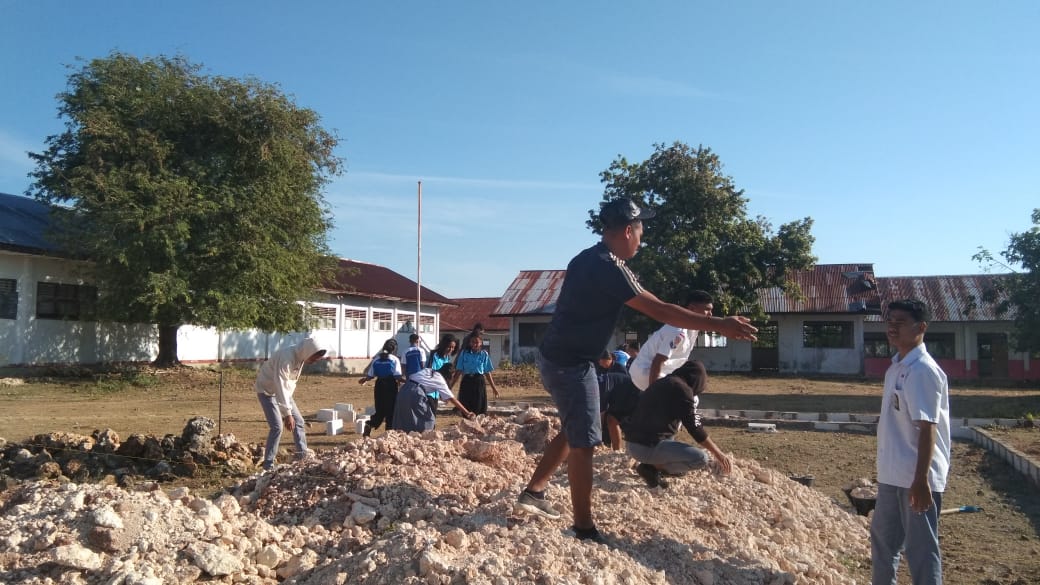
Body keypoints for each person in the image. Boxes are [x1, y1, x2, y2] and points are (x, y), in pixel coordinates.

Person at [512, 197, 757, 543]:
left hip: (565, 359)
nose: (642, 240)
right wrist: (719, 324)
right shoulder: (605, 267)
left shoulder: (593, 259)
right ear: (628, 230)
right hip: (569, 364)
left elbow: (652, 302)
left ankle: (534, 492)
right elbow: (660, 310)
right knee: (585, 442)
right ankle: (584, 529)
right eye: (641, 231)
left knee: (577, 428)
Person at [871, 299, 951, 585]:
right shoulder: (896, 367)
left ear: (921, 327)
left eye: (900, 322)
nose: (892, 327)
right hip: (892, 475)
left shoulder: (922, 371)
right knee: (883, 546)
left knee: (921, 551)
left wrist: (921, 480)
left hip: (916, 479)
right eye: (889, 321)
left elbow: (927, 428)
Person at [622, 359, 731, 488]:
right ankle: (652, 468)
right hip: (646, 447)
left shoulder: (664, 383)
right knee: (701, 459)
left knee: (671, 434)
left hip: (632, 443)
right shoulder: (682, 390)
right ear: (697, 381)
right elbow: (695, 427)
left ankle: (653, 464)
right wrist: (718, 453)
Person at [255, 337, 327, 470]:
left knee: (299, 421)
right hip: (267, 391)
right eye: (314, 358)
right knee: (277, 427)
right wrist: (287, 414)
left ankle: (302, 457)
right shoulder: (286, 358)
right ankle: (268, 465)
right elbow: (280, 385)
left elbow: (288, 385)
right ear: (308, 352)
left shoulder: (301, 356)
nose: (314, 361)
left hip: (284, 393)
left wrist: (288, 409)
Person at [629, 290, 714, 390]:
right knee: (686, 398)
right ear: (692, 308)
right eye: (707, 310)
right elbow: (658, 361)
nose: (710, 314)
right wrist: (653, 394)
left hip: (665, 374)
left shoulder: (693, 329)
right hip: (646, 374)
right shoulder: (677, 330)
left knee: (692, 394)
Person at [393, 364, 476, 432]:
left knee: (404, 415)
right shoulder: (440, 380)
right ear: (450, 375)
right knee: (428, 418)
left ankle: (404, 436)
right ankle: (423, 438)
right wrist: (467, 413)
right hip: (415, 393)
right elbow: (452, 398)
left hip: (404, 390)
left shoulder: (429, 370)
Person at [358, 339, 405, 436]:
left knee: (380, 409)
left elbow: (371, 375)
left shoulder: (376, 359)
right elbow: (397, 376)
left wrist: (365, 379)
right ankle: (389, 432)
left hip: (379, 385)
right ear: (394, 349)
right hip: (390, 385)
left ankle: (370, 424)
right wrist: (407, 381)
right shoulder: (394, 359)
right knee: (391, 410)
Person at [450, 333, 500, 415]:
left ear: (481, 343)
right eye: (473, 342)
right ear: (470, 343)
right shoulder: (464, 353)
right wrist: (451, 386)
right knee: (466, 404)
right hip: (467, 381)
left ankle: (478, 425)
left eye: (477, 342)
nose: (475, 344)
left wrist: (493, 388)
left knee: (479, 405)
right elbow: (459, 371)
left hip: (478, 382)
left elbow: (487, 372)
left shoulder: (484, 354)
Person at [597, 370, 640, 451]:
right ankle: (617, 450)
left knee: (614, 419)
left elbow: (599, 416)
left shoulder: (598, 388)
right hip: (620, 393)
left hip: (630, 393)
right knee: (611, 419)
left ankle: (624, 450)